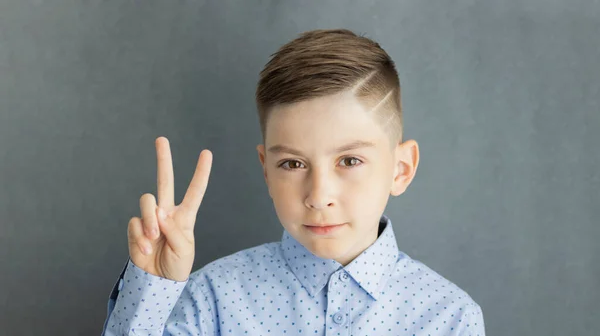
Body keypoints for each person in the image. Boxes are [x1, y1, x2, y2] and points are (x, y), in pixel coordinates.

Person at [101, 28, 485, 335]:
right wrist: (152, 289)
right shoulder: (212, 298)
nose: (318, 196)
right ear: (266, 170)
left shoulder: (448, 318)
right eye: (293, 163)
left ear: (401, 169)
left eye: (349, 160)